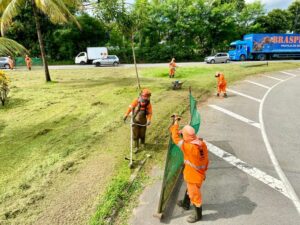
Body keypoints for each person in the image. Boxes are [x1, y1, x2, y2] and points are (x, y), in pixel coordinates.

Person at [169, 115, 209, 223]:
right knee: (190, 189)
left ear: (186, 136)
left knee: (194, 195)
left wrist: (175, 124)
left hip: (193, 176)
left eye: (183, 134)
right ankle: (186, 203)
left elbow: (175, 138)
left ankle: (198, 215)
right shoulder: (201, 144)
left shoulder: (187, 147)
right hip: (200, 173)